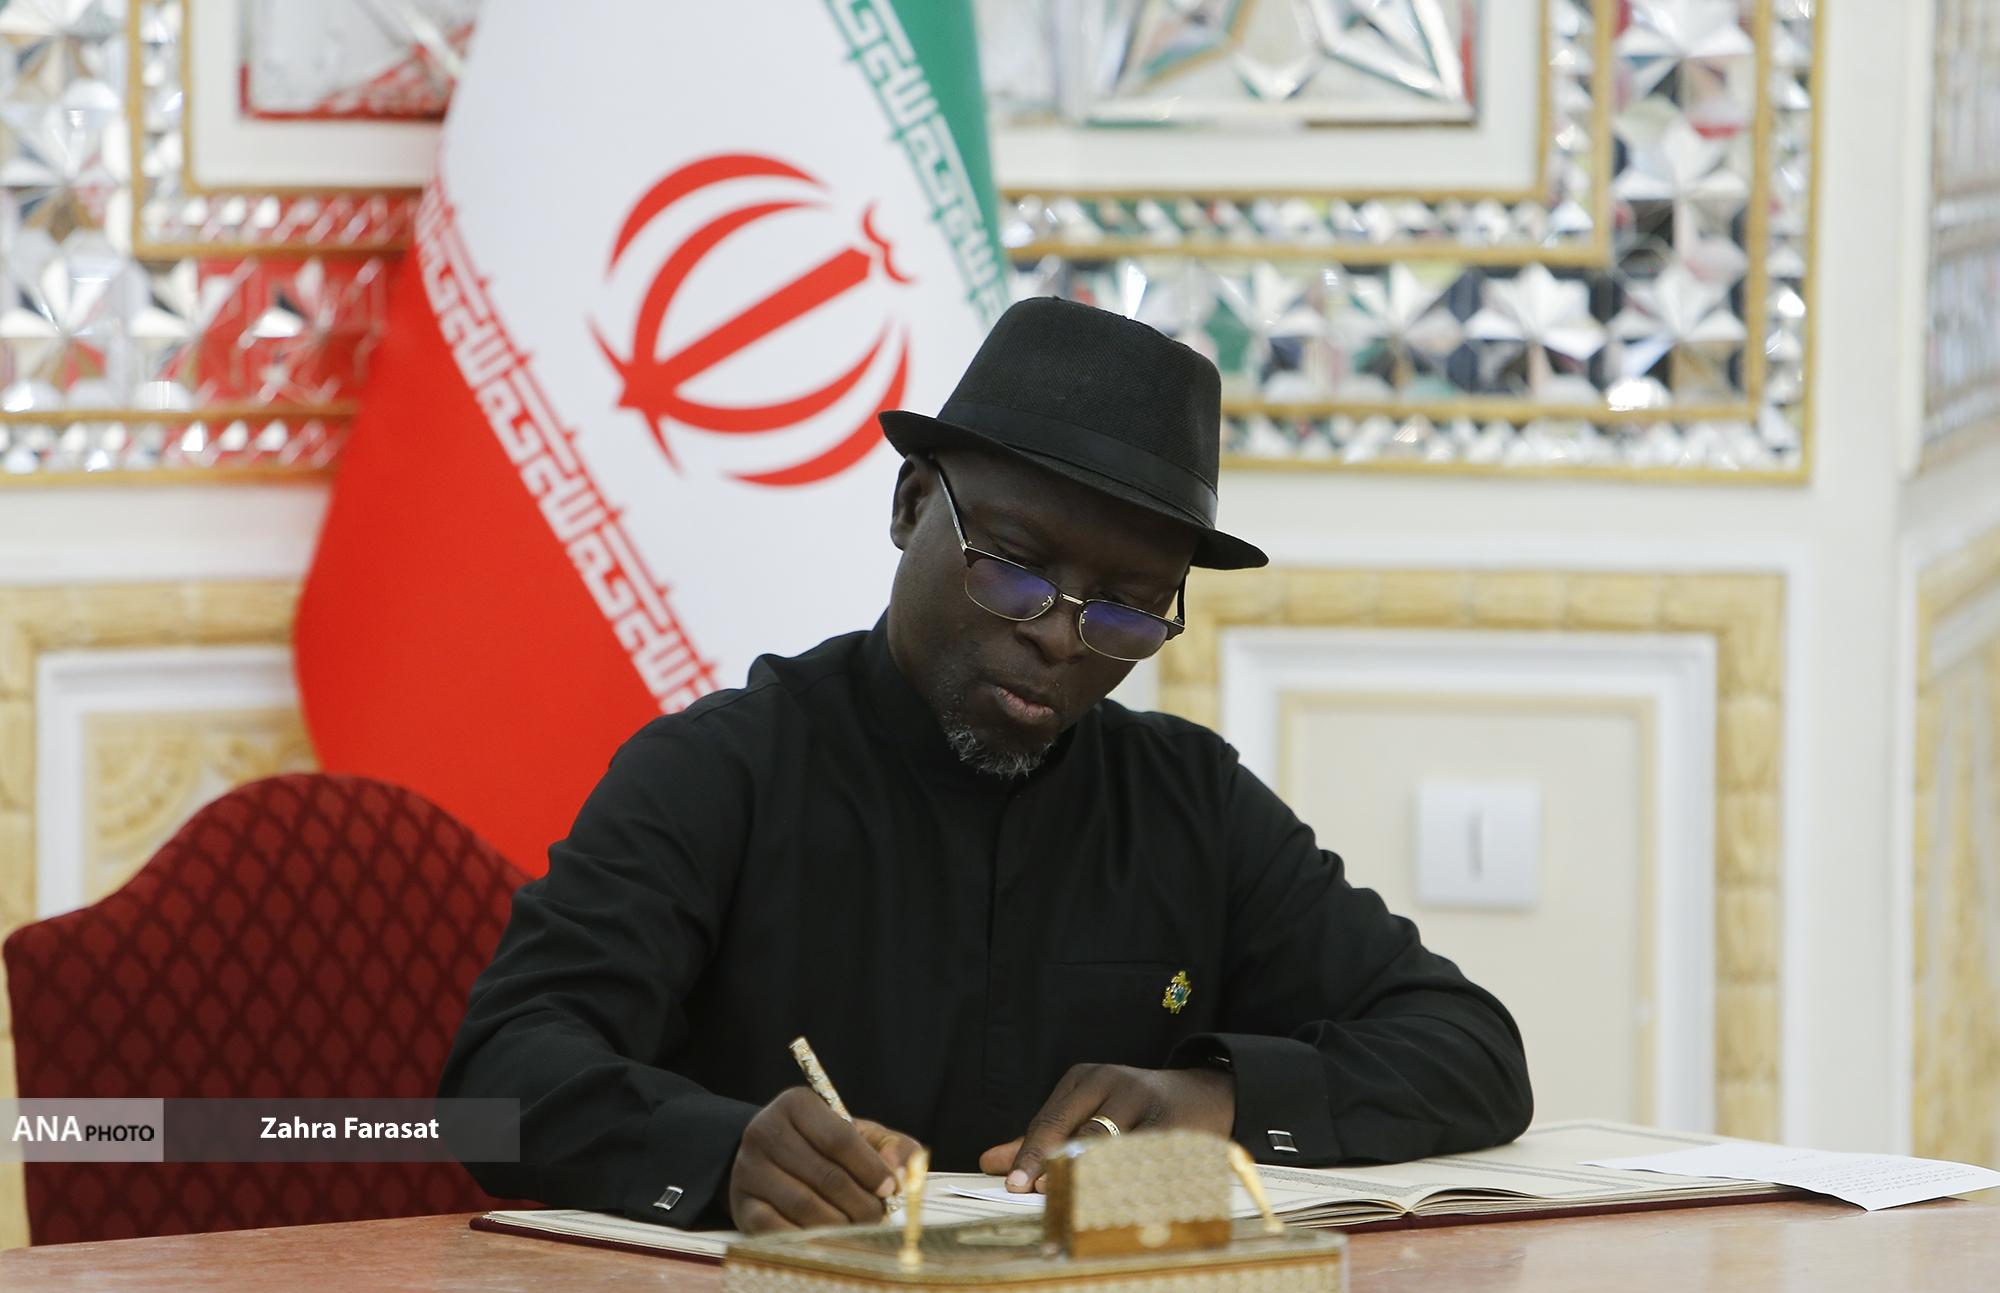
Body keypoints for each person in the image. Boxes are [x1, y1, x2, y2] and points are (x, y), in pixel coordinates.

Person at [440, 297, 1532, 1234]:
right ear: (911, 503)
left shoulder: (1189, 803)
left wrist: (1213, 1098)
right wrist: (722, 1152)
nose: (1058, 637)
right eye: (1014, 568)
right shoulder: (719, 772)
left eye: (1125, 611)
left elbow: (1470, 1052)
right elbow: (488, 1089)